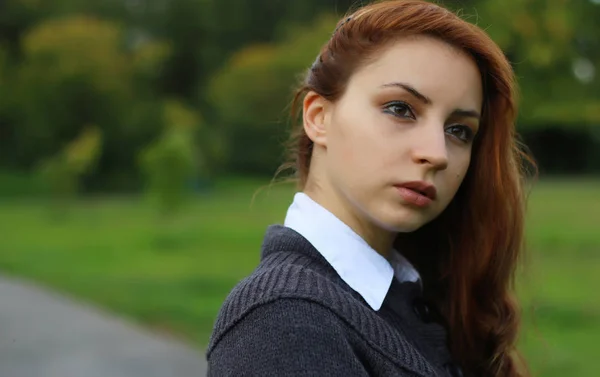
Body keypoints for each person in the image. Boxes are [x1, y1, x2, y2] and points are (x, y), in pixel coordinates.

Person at [207, 0, 536, 376]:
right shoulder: (283, 322)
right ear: (319, 117)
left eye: (459, 130)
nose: (437, 153)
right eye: (400, 108)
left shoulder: (414, 296)